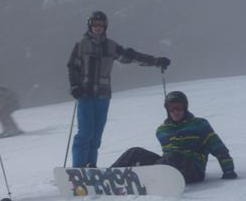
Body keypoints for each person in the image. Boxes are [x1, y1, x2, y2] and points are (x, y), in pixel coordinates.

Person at [67, 10, 171, 167]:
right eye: (95, 24)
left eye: (101, 24)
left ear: (105, 26)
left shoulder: (111, 46)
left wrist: (156, 61)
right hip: (85, 96)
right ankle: (79, 168)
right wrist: (74, 86)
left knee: (96, 137)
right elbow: (72, 67)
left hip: (103, 97)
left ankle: (90, 167)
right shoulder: (81, 45)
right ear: (90, 26)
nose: (98, 27)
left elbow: (131, 57)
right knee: (85, 134)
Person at [111, 90, 237, 183]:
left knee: (174, 156)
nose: (176, 111)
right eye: (172, 108)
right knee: (135, 152)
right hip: (168, 167)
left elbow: (218, 147)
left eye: (179, 107)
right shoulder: (162, 130)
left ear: (185, 108)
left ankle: (150, 178)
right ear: (167, 110)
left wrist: (228, 170)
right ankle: (108, 177)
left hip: (193, 169)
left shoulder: (199, 124)